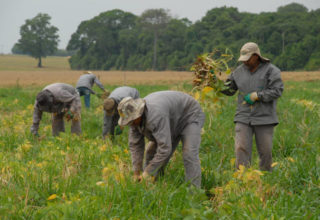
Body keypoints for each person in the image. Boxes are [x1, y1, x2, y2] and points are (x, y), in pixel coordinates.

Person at [117, 91, 205, 187]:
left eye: (132, 120)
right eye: (129, 121)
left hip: (189, 114)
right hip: (171, 118)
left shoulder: (155, 116)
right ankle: (152, 184)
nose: (131, 123)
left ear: (139, 113)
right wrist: (137, 172)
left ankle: (194, 192)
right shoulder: (134, 122)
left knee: (189, 153)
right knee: (151, 151)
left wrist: (148, 171)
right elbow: (135, 145)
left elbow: (164, 149)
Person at [222, 42, 284, 171]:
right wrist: (215, 85)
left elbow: (277, 90)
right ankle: (242, 178)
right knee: (241, 148)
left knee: (265, 151)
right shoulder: (238, 72)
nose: (245, 62)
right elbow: (229, 90)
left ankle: (266, 178)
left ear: (256, 56)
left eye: (248, 59)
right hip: (243, 116)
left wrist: (258, 96)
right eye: (243, 59)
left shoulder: (271, 71)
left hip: (265, 117)